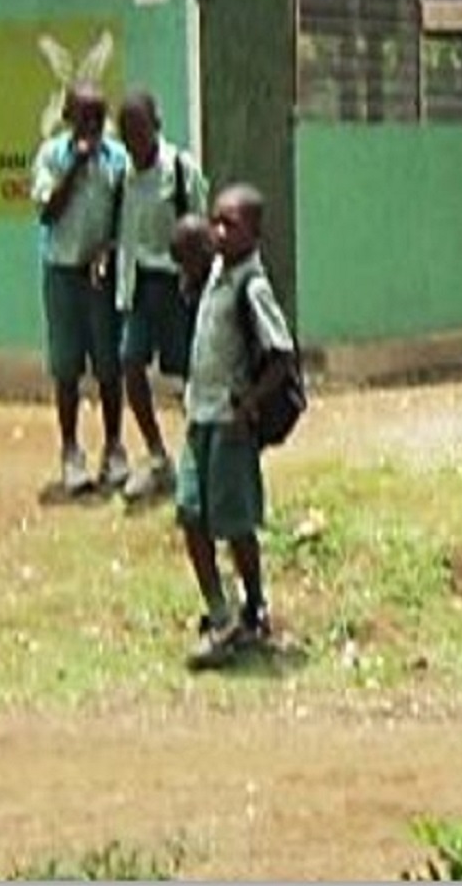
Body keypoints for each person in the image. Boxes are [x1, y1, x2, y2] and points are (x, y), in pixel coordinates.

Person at [181, 184, 299, 670]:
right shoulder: (215, 273)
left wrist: (249, 404)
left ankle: (252, 608)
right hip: (197, 415)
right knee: (191, 512)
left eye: (230, 224)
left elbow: (282, 355)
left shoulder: (252, 285)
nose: (219, 231)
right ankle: (220, 610)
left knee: (234, 522)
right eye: (216, 221)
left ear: (254, 233)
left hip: (228, 422)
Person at [32, 83, 129, 495]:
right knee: (67, 366)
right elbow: (47, 212)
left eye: (98, 118)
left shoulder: (118, 159)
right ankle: (71, 451)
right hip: (63, 273)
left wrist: (109, 250)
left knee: (110, 364)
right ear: (68, 118)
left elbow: (127, 215)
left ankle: (113, 448)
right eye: (84, 118)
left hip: (102, 276)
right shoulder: (51, 156)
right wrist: (76, 166)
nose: (92, 128)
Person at [113, 92, 208, 501]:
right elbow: (123, 229)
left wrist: (197, 282)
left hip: (175, 286)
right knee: (130, 363)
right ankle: (156, 457)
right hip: (139, 285)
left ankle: (202, 459)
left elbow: (200, 230)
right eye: (126, 134)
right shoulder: (125, 176)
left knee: (191, 375)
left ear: (157, 125)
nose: (134, 142)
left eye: (140, 131)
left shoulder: (181, 171)